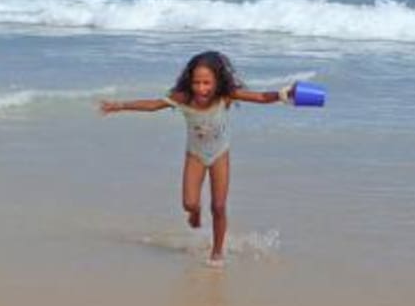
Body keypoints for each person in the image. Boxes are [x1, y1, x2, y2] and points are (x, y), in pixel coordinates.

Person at [99, 51, 294, 266]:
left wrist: (284, 94)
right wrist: (120, 106)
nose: (201, 88)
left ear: (217, 81)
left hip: (220, 154)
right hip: (196, 155)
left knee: (219, 207)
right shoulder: (183, 98)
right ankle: (196, 212)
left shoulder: (225, 95)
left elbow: (260, 97)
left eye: (207, 83)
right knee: (189, 203)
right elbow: (154, 105)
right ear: (189, 82)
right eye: (197, 83)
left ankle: (217, 253)